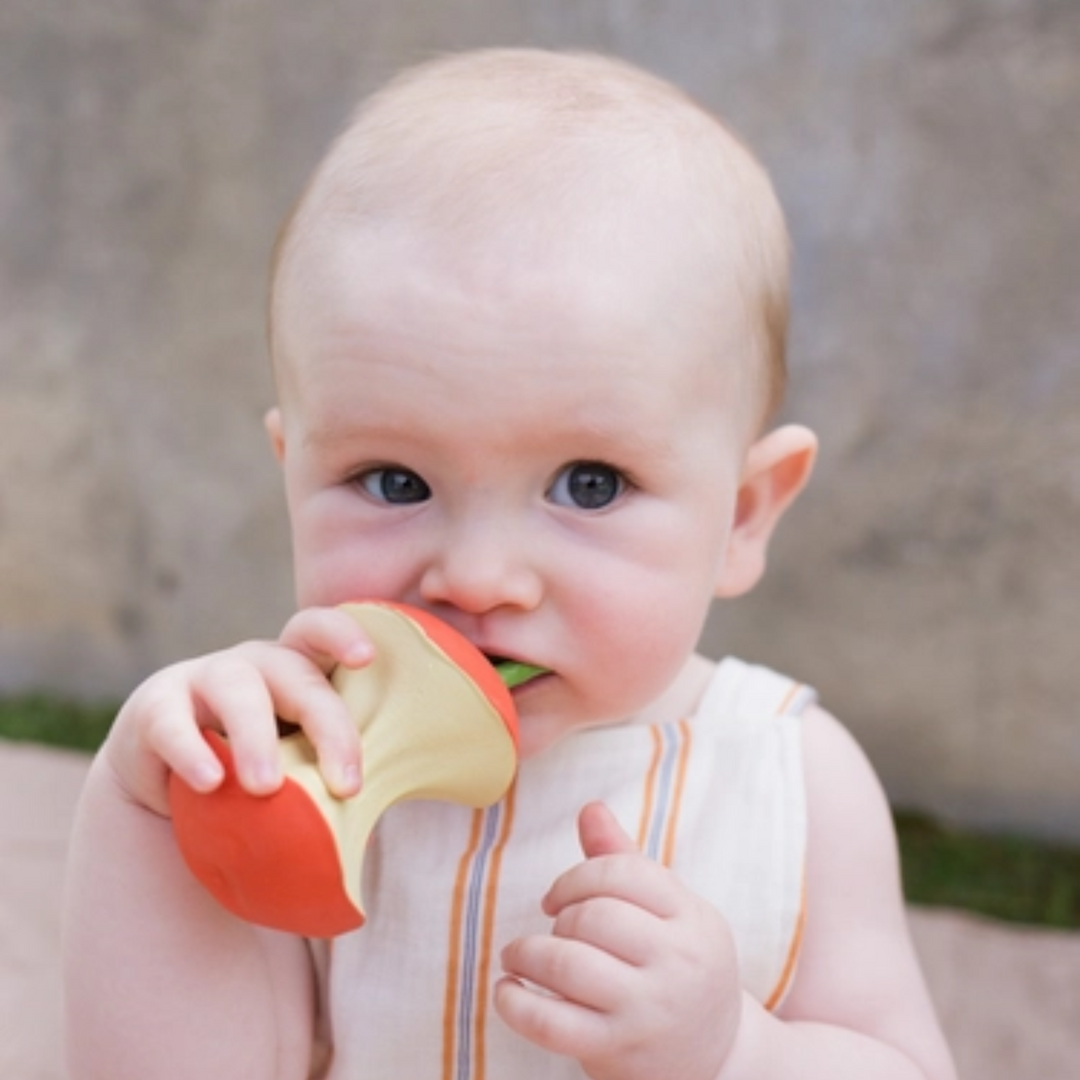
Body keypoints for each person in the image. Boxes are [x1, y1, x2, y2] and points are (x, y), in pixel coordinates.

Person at [63, 48, 956, 1080]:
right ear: (290, 475)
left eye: (589, 484)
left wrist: (734, 1047)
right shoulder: (296, 763)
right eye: (394, 480)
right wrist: (146, 811)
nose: (479, 578)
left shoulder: (788, 777)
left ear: (743, 515)